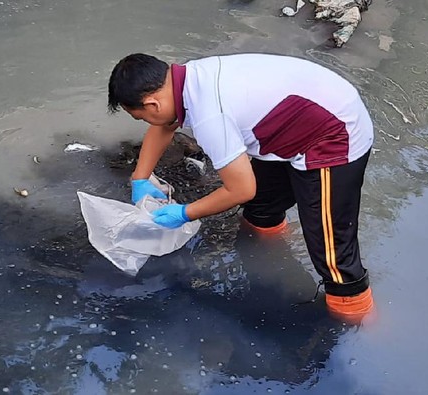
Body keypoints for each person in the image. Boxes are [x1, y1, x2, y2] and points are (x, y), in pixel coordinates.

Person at [107, 52, 375, 323]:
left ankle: (356, 320)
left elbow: (240, 190)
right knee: (261, 208)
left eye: (141, 117)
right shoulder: (184, 81)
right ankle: (270, 252)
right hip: (295, 124)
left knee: (332, 253)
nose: (146, 123)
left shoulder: (209, 116)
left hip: (335, 134)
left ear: (152, 103)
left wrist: (185, 212)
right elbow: (165, 123)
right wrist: (140, 177)